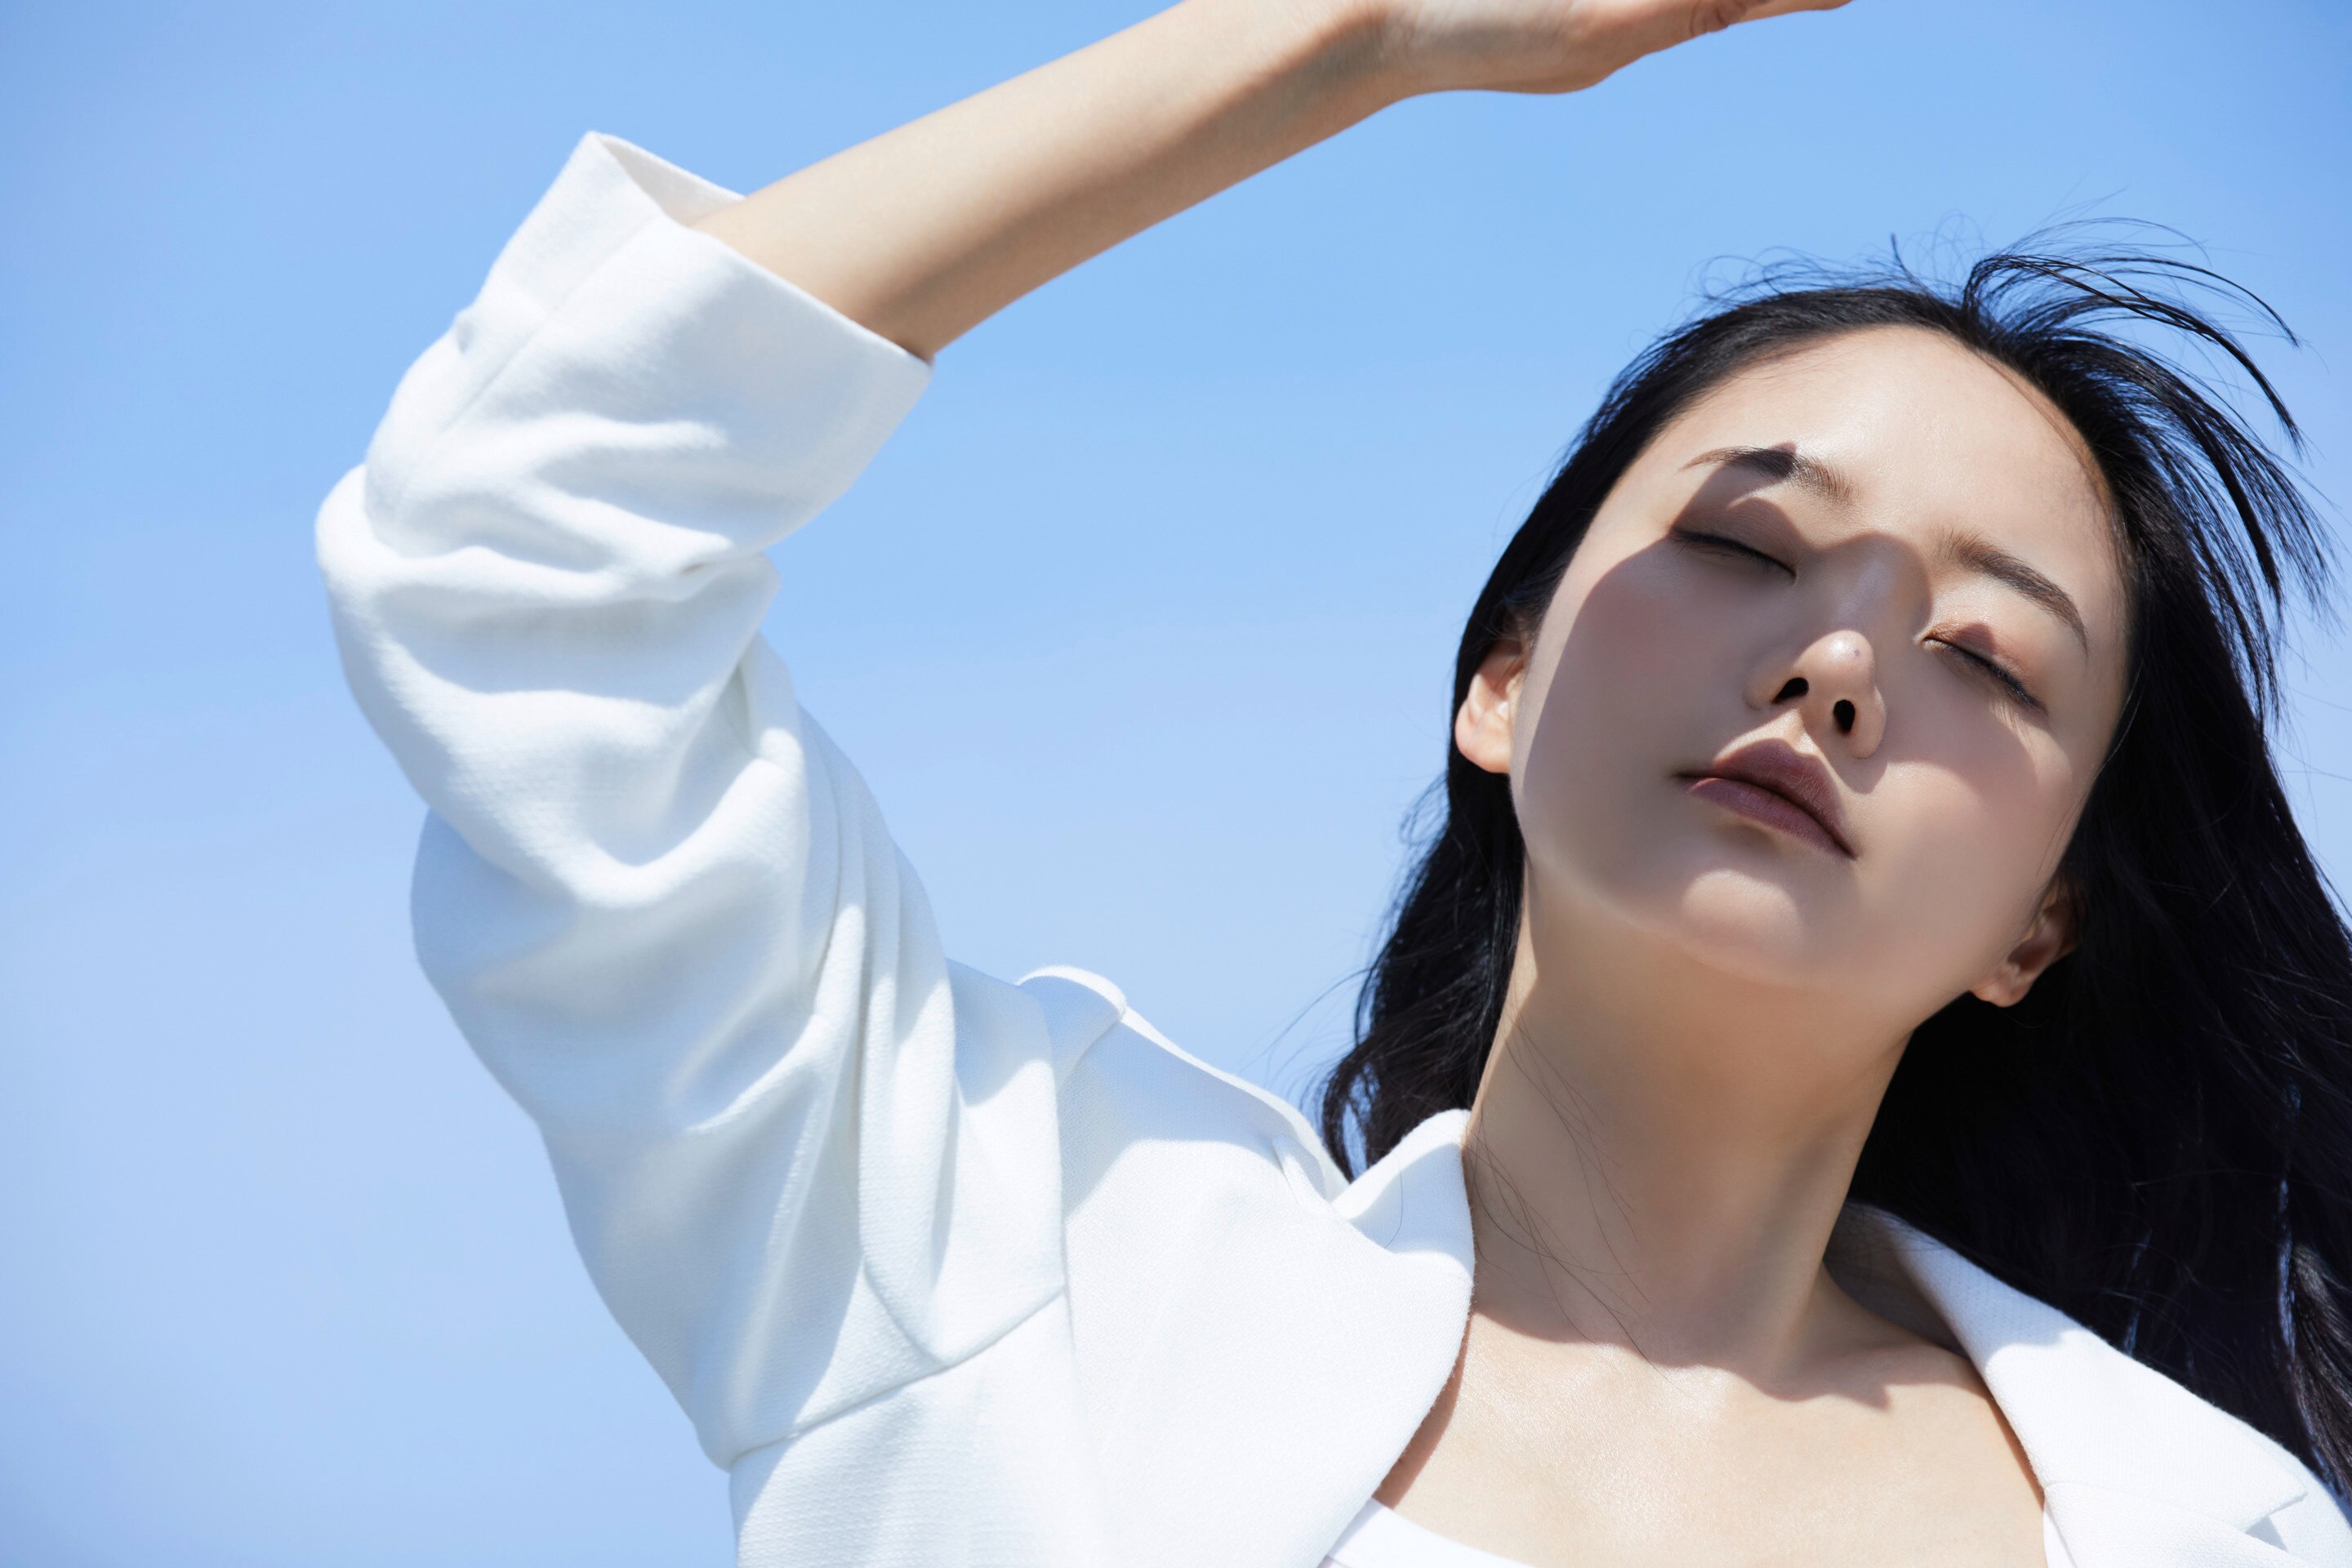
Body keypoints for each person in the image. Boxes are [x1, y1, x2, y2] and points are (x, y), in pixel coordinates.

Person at [315, 0, 2352, 1563]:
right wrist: (1344, 38)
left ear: (2043, 922)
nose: (1834, 665)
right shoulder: (1019, 1263)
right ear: (1502, 677)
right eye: (1745, 546)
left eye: (1986, 656)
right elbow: (517, 538)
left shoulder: (2205, 1527)